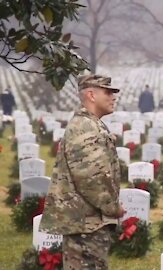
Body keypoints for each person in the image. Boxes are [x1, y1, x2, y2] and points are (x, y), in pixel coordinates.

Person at [40, 74, 125, 269]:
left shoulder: (89, 123)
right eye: (108, 92)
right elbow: (91, 177)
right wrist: (112, 207)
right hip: (86, 223)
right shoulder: (85, 127)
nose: (113, 97)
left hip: (86, 221)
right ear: (91, 95)